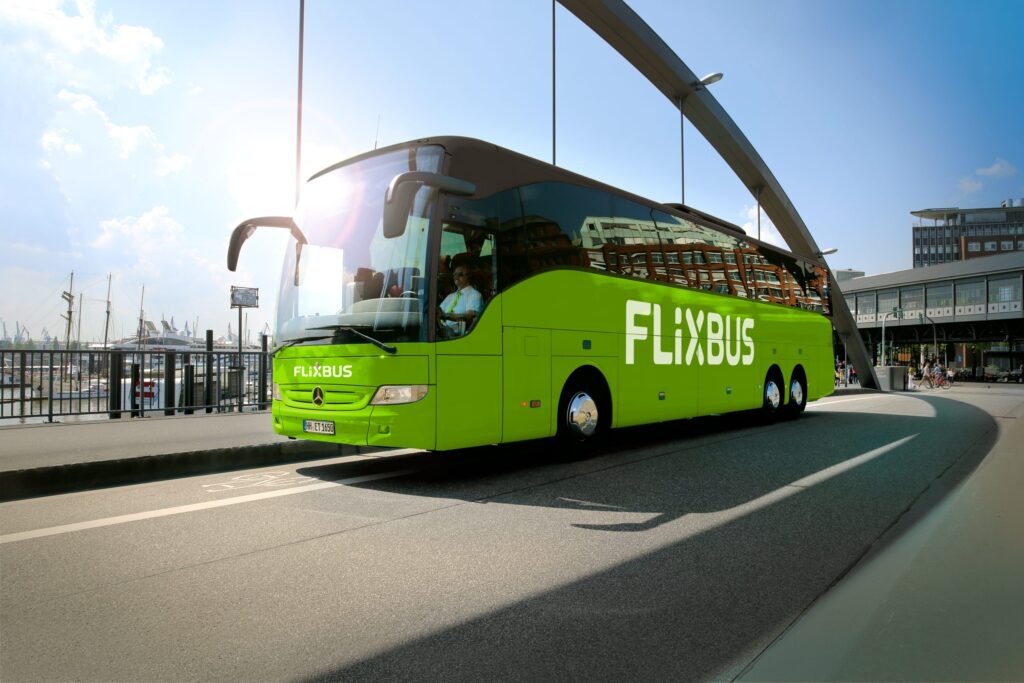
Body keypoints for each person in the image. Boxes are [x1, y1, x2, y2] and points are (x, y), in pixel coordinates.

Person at [437, 264, 481, 337]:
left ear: (468, 276)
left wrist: (445, 316)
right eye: (454, 274)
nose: (456, 277)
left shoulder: (474, 294)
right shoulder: (450, 296)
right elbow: (438, 313)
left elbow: (469, 316)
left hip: (458, 336)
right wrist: (441, 327)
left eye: (460, 274)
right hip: (442, 332)